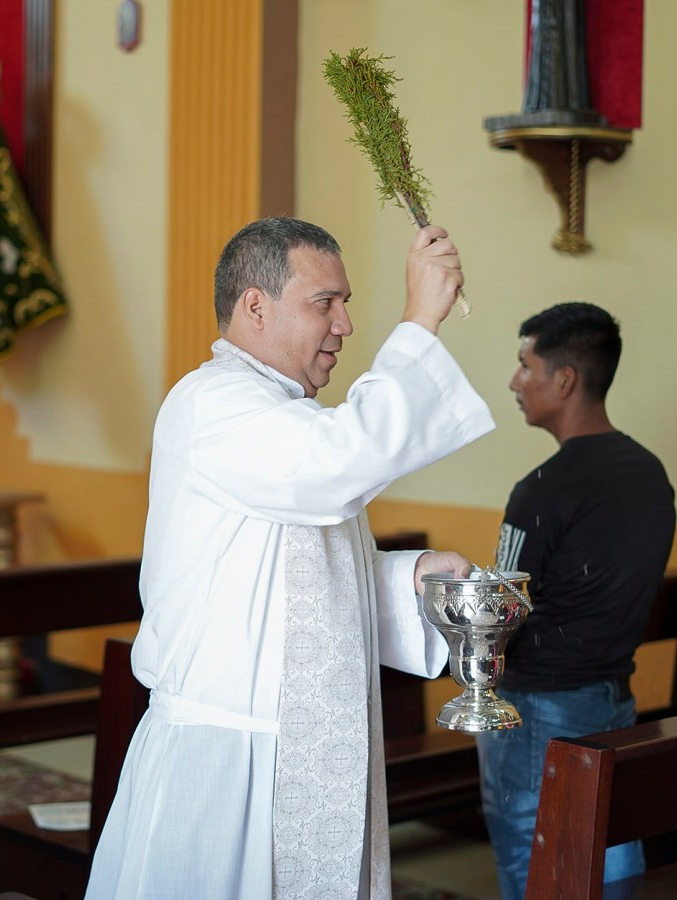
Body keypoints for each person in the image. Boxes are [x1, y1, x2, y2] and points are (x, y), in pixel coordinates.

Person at [86, 217, 495, 899]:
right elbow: (336, 467)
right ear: (255, 306)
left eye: (346, 304)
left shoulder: (289, 418)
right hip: (224, 764)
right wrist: (420, 320)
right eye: (324, 303)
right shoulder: (212, 403)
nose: (344, 325)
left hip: (306, 747)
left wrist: (405, 577)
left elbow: (293, 577)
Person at [480, 302, 675, 899]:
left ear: (564, 379)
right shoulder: (649, 473)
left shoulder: (543, 489)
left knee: (531, 857)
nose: (516, 381)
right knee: (610, 852)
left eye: (525, 365)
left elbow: (498, 612)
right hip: (612, 694)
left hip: (538, 704)